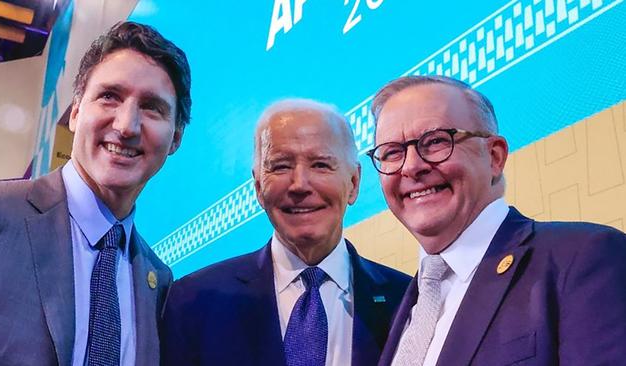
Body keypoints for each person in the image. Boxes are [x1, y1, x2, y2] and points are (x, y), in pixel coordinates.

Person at [367, 75, 626, 366]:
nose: (412, 166)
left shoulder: (584, 258)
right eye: (392, 152)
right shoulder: (398, 306)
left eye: (436, 141)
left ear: (494, 156)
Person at [0, 21, 191, 365]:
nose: (126, 126)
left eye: (152, 107)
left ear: (175, 139)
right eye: (110, 96)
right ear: (76, 112)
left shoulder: (160, 283)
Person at [161, 99, 411, 366]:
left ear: (353, 183)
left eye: (321, 165)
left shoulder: (407, 302)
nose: (300, 185)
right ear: (258, 187)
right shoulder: (194, 300)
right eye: (280, 166)